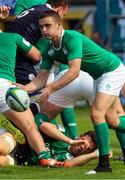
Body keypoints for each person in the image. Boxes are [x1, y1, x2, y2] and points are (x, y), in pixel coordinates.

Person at [17, 10, 125, 173]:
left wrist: (51, 88)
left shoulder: (72, 38)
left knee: (96, 114)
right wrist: (24, 89)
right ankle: (103, 163)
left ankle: (104, 165)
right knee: (112, 121)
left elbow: (74, 71)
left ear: (59, 24)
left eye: (48, 25)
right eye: (41, 27)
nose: (44, 30)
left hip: (111, 71)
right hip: (97, 76)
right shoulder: (49, 51)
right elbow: (40, 79)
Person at [0, 31, 84, 168]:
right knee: (30, 126)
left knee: (5, 156)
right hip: (3, 84)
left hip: (19, 153)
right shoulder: (11, 37)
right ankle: (45, 158)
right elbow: (37, 56)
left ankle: (15, 130)